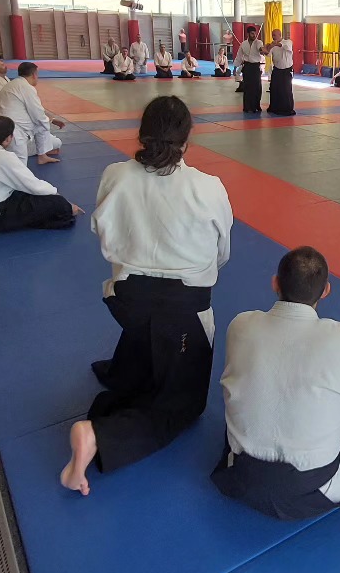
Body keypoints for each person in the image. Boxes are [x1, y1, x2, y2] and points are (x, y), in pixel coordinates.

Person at [62, 96, 234, 495]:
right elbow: (221, 252)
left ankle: (126, 371)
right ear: (188, 138)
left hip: (125, 300)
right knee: (184, 407)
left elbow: (100, 232)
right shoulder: (207, 188)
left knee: (146, 333)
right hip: (184, 311)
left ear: (142, 134)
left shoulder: (115, 175)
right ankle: (97, 437)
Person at [210, 246, 340, 520]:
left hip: (237, 476)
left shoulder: (241, 325)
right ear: (326, 290)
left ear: (275, 283)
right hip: (313, 492)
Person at [0, 116, 81, 233]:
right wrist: (64, 202)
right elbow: (33, 185)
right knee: (58, 204)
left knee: (25, 195)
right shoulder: (2, 157)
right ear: (8, 138)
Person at [0, 61, 66, 164]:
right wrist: (48, 123)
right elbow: (38, 114)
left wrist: (51, 120)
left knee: (41, 125)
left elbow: (38, 111)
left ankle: (42, 156)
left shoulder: (13, 84)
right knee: (20, 167)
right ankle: (38, 154)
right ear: (34, 74)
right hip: (14, 132)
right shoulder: (26, 87)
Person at [266, 28, 296, 116]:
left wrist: (275, 44)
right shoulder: (273, 46)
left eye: (274, 35)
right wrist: (265, 48)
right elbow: (267, 54)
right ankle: (275, 107)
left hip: (286, 70)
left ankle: (287, 109)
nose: (273, 37)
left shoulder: (288, 42)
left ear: (280, 35)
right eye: (272, 35)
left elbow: (285, 47)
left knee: (286, 90)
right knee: (274, 89)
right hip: (277, 70)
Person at [236, 26, 266, 113]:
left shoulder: (258, 42)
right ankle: (247, 106)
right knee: (247, 87)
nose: (254, 35)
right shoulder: (243, 44)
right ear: (248, 34)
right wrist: (236, 67)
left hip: (256, 67)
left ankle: (256, 106)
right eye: (252, 33)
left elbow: (261, 49)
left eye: (255, 33)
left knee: (257, 87)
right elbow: (239, 56)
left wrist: (263, 50)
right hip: (247, 67)